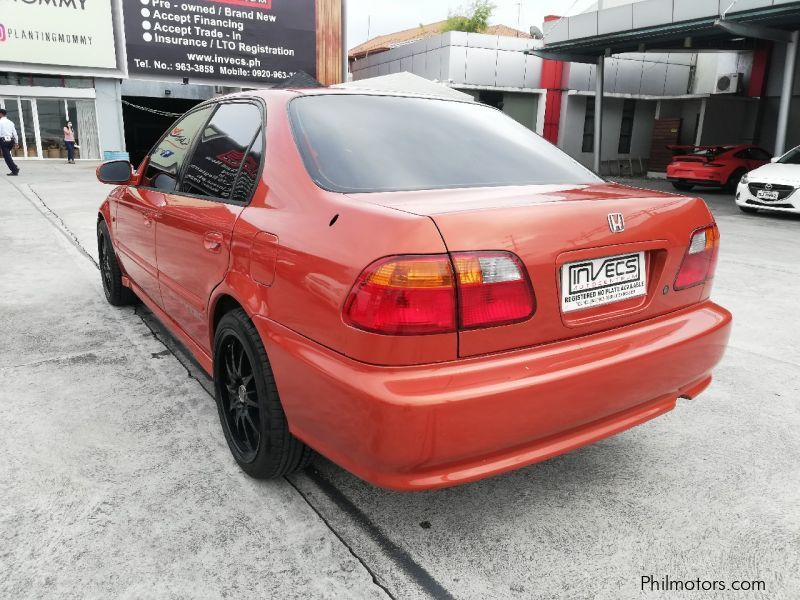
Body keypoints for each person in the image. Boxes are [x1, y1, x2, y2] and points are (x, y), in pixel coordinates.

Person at [0, 108, 20, 176]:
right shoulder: (10, 122)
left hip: (3, 140)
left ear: (1, 114)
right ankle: (14, 168)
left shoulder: (0, 122)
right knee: (7, 155)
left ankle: (15, 169)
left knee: (7, 157)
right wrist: (16, 142)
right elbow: (14, 133)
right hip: (11, 141)